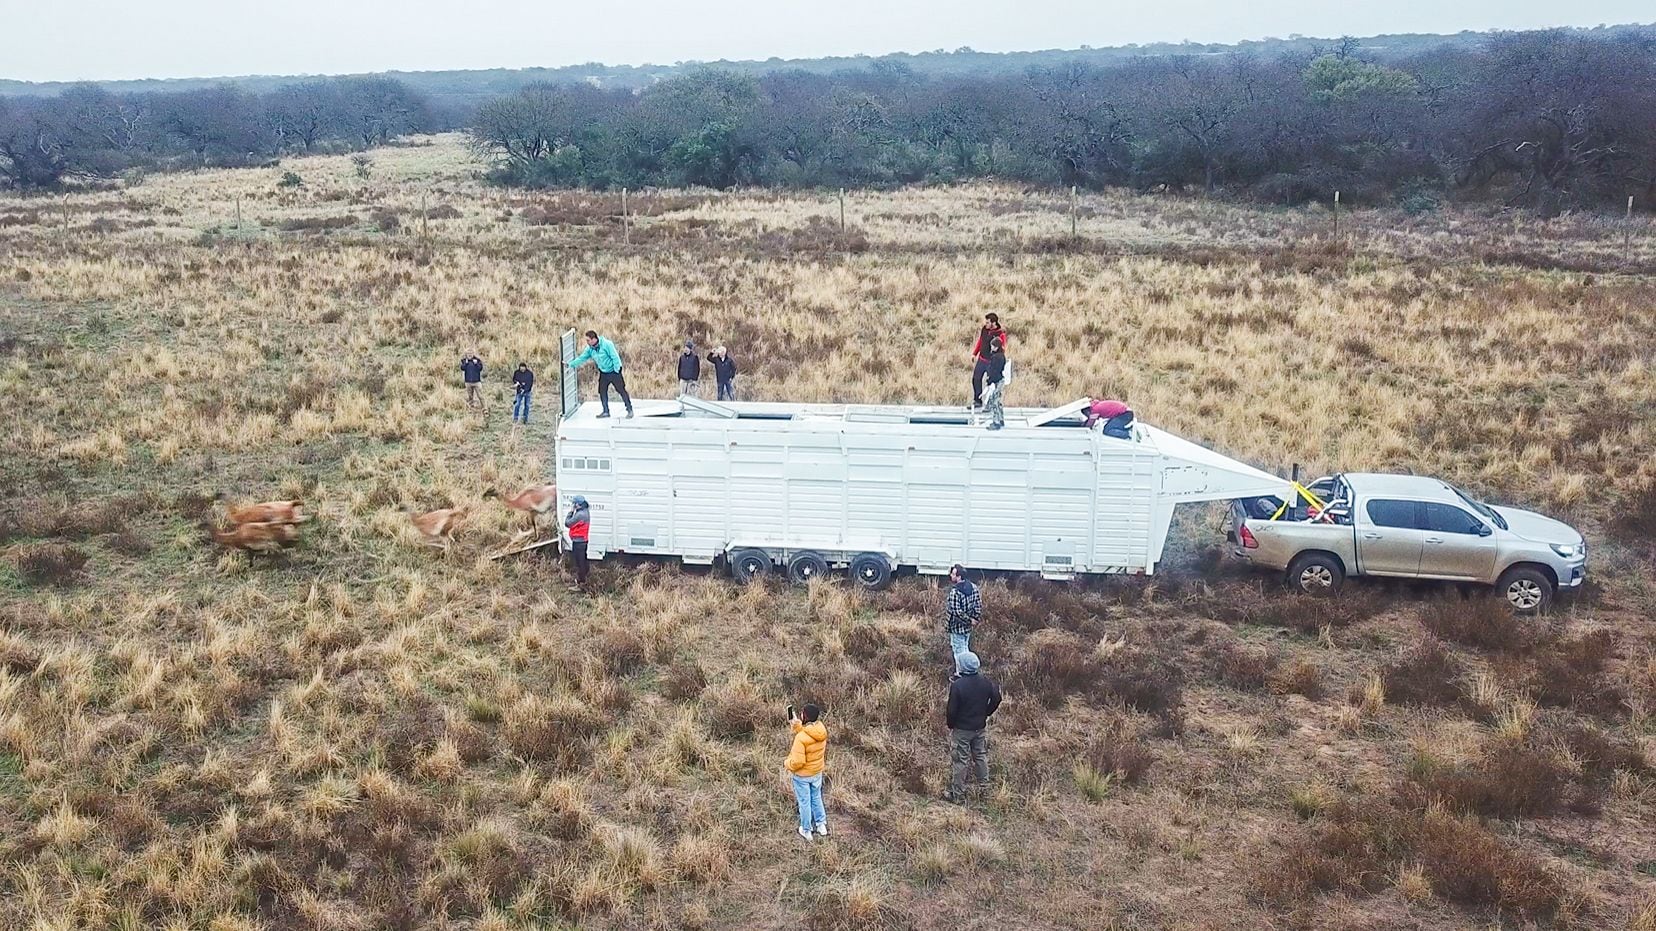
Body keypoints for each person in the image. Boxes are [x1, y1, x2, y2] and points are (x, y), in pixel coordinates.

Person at [944, 651, 1002, 803]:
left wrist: (951, 724)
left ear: (962, 666)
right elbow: (997, 698)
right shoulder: (986, 682)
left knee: (960, 760)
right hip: (979, 727)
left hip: (962, 730)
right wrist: (986, 713)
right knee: (980, 756)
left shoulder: (958, 686)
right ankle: (985, 789)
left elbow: (951, 710)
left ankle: (957, 795)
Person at [785, 703, 828, 841]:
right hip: (817, 772)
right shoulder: (821, 731)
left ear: (806, 717)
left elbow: (798, 762)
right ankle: (821, 826)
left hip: (802, 776)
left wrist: (787, 763)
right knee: (816, 797)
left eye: (802, 713)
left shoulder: (801, 738)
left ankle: (806, 830)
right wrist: (797, 725)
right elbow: (808, 735)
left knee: (804, 802)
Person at [567, 330, 633, 419]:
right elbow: (582, 358)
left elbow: (615, 357)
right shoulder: (590, 349)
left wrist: (617, 370)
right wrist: (570, 364)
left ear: (594, 339)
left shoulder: (607, 344)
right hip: (603, 373)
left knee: (621, 390)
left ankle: (629, 410)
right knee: (602, 391)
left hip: (613, 372)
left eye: (588, 340)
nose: (587, 342)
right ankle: (606, 411)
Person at [943, 564, 981, 674]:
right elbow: (978, 605)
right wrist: (974, 619)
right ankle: (969, 671)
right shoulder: (974, 588)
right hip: (968, 628)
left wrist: (969, 620)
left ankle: (961, 674)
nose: (951, 576)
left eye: (953, 574)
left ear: (959, 577)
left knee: (959, 653)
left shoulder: (955, 592)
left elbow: (956, 612)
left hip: (957, 628)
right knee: (965, 649)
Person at [969, 313, 1008, 409]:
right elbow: (980, 341)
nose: (986, 324)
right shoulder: (984, 330)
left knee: (991, 384)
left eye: (988, 322)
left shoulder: (1000, 334)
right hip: (982, 359)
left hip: (992, 361)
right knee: (976, 379)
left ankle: (990, 404)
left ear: (993, 323)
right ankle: (977, 401)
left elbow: (1002, 348)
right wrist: (975, 353)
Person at [564, 495, 591, 589]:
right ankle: (586, 578)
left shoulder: (580, 515)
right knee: (583, 561)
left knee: (579, 563)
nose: (573, 505)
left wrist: (571, 512)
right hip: (582, 541)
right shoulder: (584, 511)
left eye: (574, 503)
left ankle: (581, 583)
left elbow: (568, 523)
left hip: (579, 542)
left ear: (578, 505)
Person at [981, 336, 1007, 431]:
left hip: (996, 381)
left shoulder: (996, 357)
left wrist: (989, 381)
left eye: (993, 346)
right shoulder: (1001, 356)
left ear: (996, 347)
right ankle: (1001, 419)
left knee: (994, 402)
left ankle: (996, 422)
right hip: (1000, 380)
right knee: (998, 401)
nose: (991, 348)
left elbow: (994, 371)